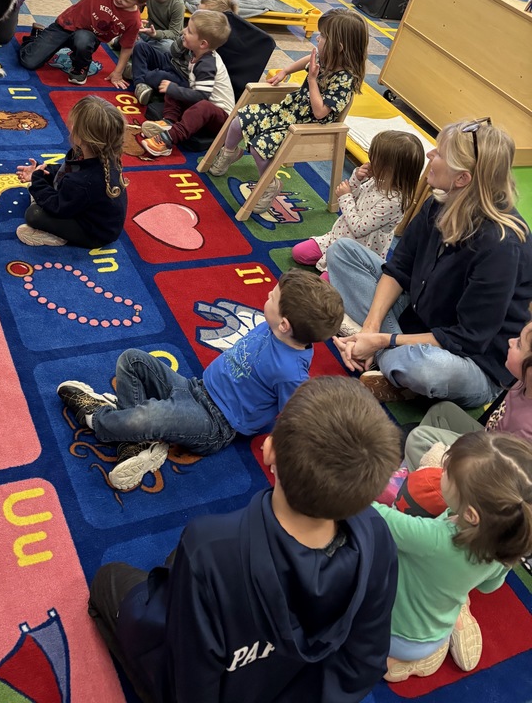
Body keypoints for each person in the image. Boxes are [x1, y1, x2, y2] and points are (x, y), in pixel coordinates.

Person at [88, 376, 402, 703]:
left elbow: (191, 681)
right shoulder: (377, 533)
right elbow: (365, 660)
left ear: (269, 451)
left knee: (109, 580)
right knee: (177, 563)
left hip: (216, 669)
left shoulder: (209, 546)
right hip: (295, 683)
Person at [56, 269, 344, 491]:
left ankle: (97, 418)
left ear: (285, 325)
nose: (267, 294)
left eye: (273, 296)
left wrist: (282, 447)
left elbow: (297, 415)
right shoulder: (276, 329)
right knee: (132, 359)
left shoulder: (291, 372)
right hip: (194, 388)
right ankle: (139, 444)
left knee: (152, 415)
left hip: (214, 424)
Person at [330, 120, 532, 408]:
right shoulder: (439, 201)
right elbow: (398, 268)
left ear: (462, 178)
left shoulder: (501, 246)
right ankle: (381, 353)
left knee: (423, 368)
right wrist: (372, 330)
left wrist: (381, 341)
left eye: (439, 153)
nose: (429, 155)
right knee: (343, 253)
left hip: (469, 360)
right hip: (419, 317)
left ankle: (387, 357)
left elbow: (467, 339)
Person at [372, 432, 532, 682]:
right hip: (434, 632)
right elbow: (490, 586)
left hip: (388, 633)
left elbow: (380, 518)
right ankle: (440, 640)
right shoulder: (504, 553)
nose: (442, 468)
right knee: (452, 595)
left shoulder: (435, 539)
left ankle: (408, 657)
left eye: (448, 472)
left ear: (471, 514)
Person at [209, 8, 368, 215]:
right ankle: (230, 153)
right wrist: (285, 71)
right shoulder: (325, 56)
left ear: (339, 46)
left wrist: (312, 80)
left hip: (306, 128)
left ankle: (270, 185)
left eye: (323, 36)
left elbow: (320, 113)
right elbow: (308, 59)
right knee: (240, 120)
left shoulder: (345, 79)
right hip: (288, 112)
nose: (318, 38)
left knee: (259, 147)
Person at [405, 317, 532, 470]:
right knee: (442, 411)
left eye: (519, 344)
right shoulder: (522, 382)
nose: (511, 341)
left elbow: (501, 476)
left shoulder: (525, 427)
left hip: (488, 468)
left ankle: (422, 487)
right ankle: (419, 468)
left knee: (418, 438)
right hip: (488, 440)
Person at [17, 0, 156, 86]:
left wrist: (118, 72)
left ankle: (79, 68)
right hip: (66, 25)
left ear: (139, 3)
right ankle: (37, 37)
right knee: (28, 62)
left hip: (87, 38)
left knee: (83, 39)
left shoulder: (134, 21)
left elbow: (127, 46)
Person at [292, 131, 424, 273]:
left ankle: (341, 270)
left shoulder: (393, 202)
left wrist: (345, 197)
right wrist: (356, 179)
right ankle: (328, 257)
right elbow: (355, 199)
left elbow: (359, 229)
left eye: (375, 159)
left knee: (326, 283)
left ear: (389, 169)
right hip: (339, 236)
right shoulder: (378, 181)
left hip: (355, 253)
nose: (370, 162)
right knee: (298, 252)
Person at [15, 95, 128, 248]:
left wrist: (37, 180)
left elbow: (58, 207)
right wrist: (43, 171)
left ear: (79, 135)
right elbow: (65, 170)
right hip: (87, 208)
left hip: (95, 234)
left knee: (33, 214)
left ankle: (58, 236)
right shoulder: (98, 153)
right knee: (43, 188)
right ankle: (43, 194)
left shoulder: (83, 182)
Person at [138, 10, 235, 157]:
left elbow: (202, 97)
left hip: (222, 119)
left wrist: (175, 90)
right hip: (203, 106)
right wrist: (174, 89)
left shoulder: (207, 64)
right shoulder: (198, 54)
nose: (183, 31)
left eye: (189, 31)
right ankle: (169, 121)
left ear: (203, 44)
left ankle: (168, 140)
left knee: (189, 97)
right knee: (175, 87)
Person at [132, 0, 238, 106]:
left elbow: (198, 91)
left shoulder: (207, 57)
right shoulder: (192, 36)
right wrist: (185, 39)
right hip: (171, 61)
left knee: (155, 76)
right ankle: (140, 81)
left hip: (181, 76)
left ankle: (139, 74)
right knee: (141, 47)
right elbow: (173, 52)